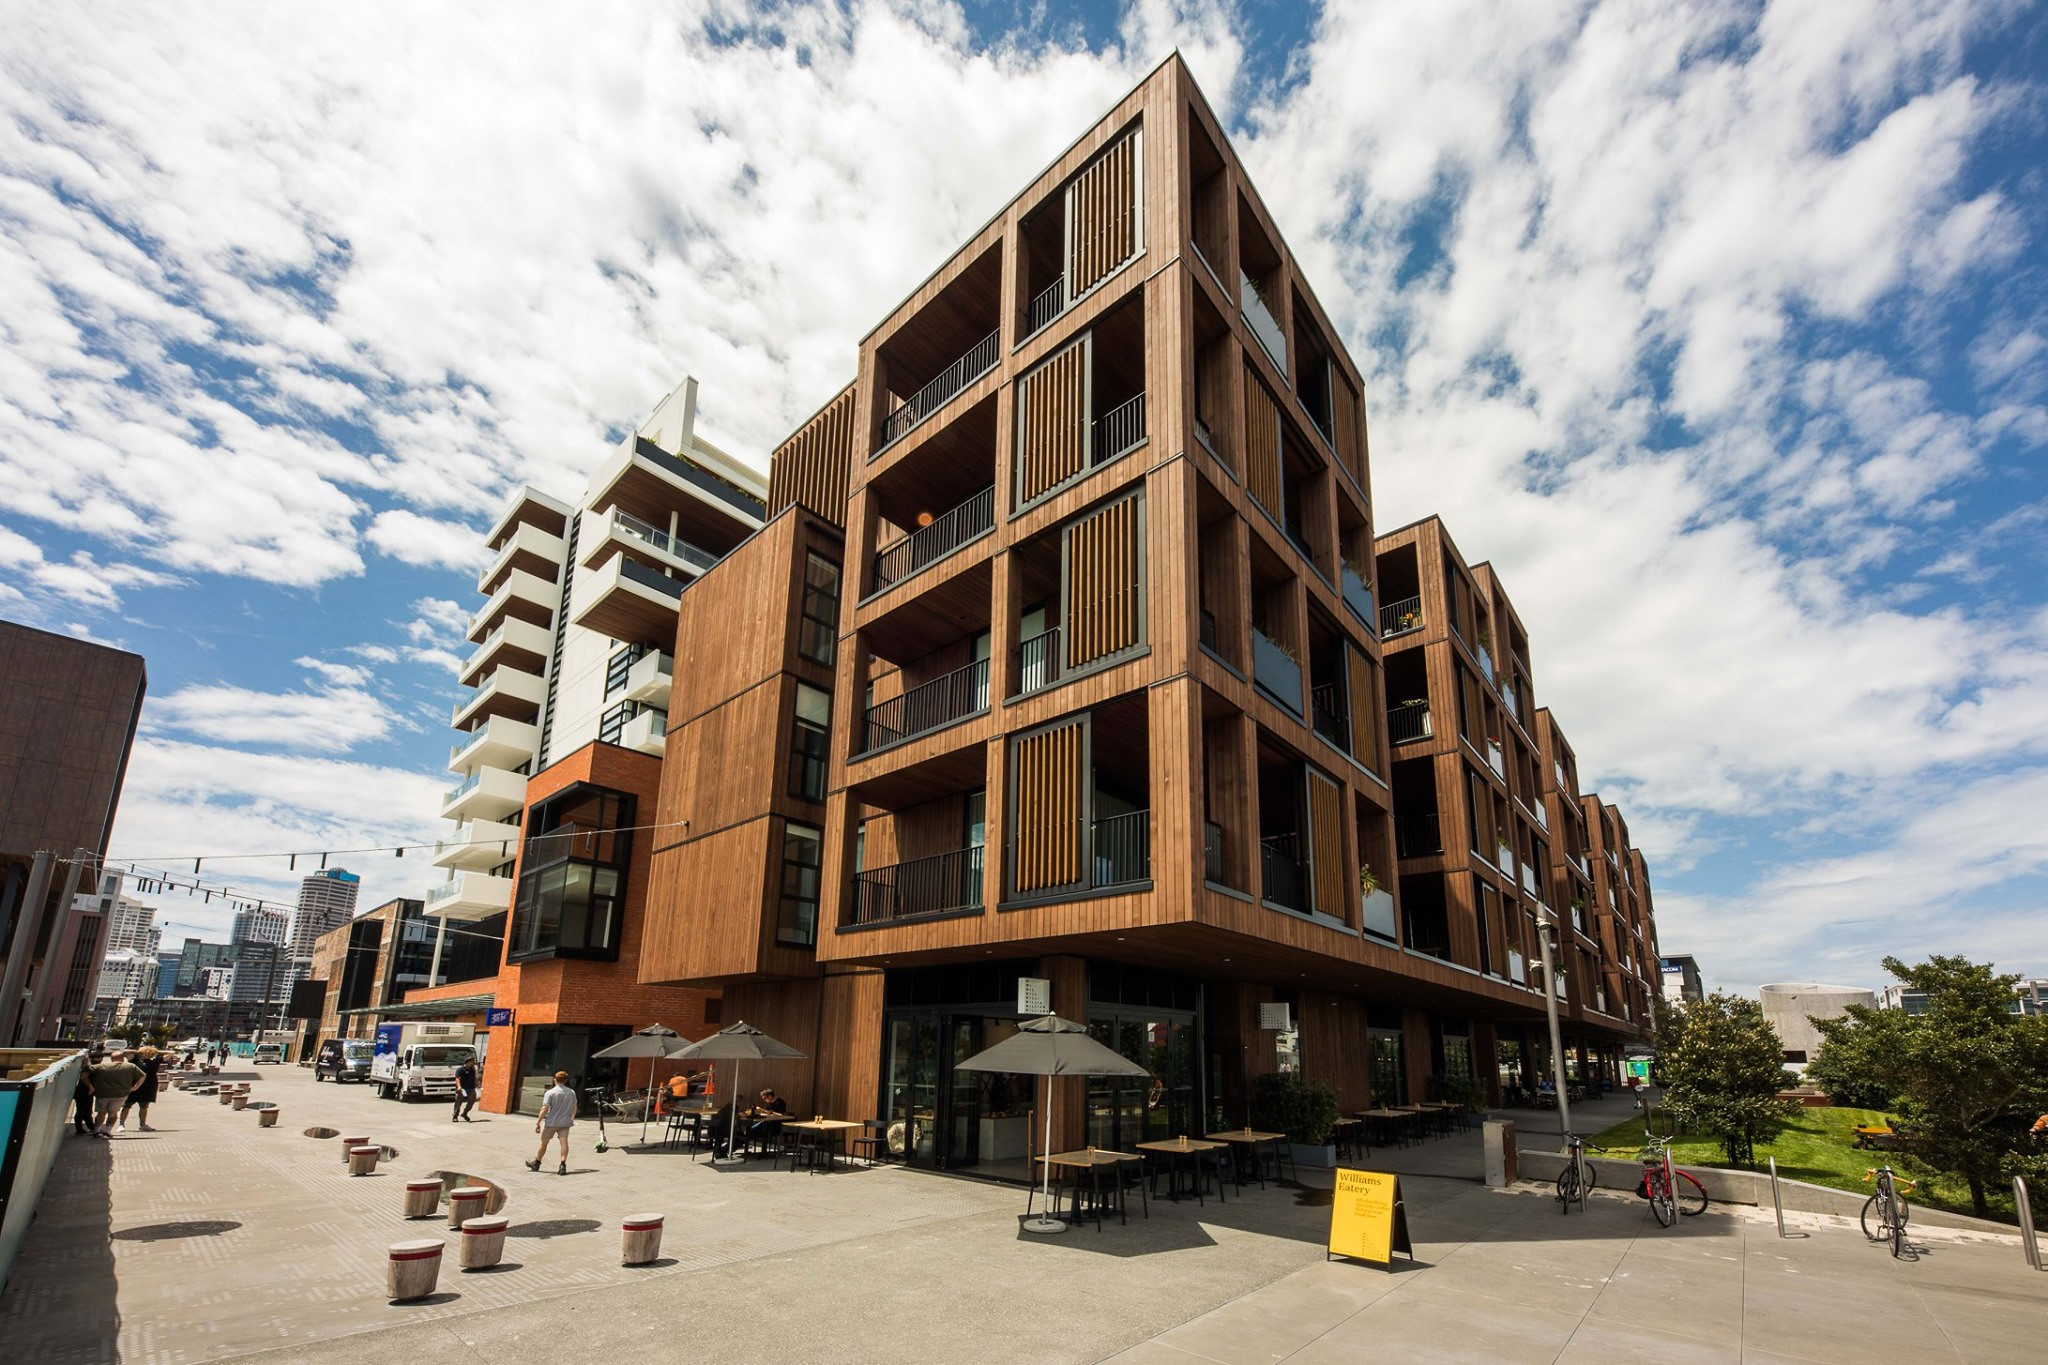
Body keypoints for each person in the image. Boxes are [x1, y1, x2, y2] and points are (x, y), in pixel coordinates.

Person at [525, 1071, 576, 1175]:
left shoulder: (550, 1093)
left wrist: (538, 1122)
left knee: (544, 1143)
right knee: (564, 1143)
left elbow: (544, 1109)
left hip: (552, 1122)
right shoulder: (571, 1092)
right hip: (565, 1122)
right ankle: (562, 1165)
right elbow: (574, 1107)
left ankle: (537, 1163)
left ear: (554, 1080)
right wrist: (571, 1118)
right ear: (566, 1080)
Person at [88, 1050, 145, 1138]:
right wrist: (135, 1087)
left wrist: (90, 1086)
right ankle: (108, 1131)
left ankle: (97, 1130)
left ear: (111, 1059)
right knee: (113, 1113)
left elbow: (87, 1070)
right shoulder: (130, 1066)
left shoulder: (102, 1066)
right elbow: (143, 1075)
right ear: (122, 1058)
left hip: (103, 1093)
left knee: (101, 1113)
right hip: (121, 1094)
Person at [120, 1044, 163, 1133]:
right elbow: (125, 1052)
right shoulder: (135, 1060)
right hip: (134, 1085)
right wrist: (139, 1051)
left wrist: (155, 1051)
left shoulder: (155, 1061)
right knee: (127, 1105)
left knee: (144, 1106)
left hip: (148, 1086)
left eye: (148, 1053)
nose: (146, 1055)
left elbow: (172, 1053)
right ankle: (121, 1124)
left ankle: (142, 1124)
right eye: (144, 1053)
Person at [72, 1052, 100, 1136]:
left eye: (100, 1057)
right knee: (81, 1111)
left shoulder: (91, 1067)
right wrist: (90, 1087)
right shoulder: (88, 1068)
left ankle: (91, 1127)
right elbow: (84, 1077)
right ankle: (79, 1129)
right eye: (97, 1058)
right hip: (83, 1092)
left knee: (87, 1111)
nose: (99, 1059)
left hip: (87, 1092)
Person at [452, 1058, 480, 1123]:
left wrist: (477, 1085)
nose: (473, 1063)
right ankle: (455, 1116)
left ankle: (465, 1113)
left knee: (472, 1101)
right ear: (468, 1062)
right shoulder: (460, 1070)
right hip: (462, 1089)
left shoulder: (472, 1070)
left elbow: (474, 1078)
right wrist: (459, 1087)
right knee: (458, 1103)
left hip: (471, 1088)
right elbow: (457, 1079)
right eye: (472, 1062)